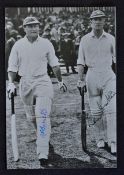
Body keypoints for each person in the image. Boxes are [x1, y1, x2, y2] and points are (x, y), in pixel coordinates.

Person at [7, 16, 67, 169]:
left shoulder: (46, 43)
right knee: (32, 118)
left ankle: (42, 152)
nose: (34, 28)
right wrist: (11, 83)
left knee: (43, 116)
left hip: (42, 81)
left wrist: (60, 81)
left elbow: (54, 64)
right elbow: (12, 67)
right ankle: (42, 134)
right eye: (30, 26)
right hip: (25, 83)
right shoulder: (18, 45)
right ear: (24, 28)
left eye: (36, 26)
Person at [77, 10, 116, 155]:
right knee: (96, 111)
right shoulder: (85, 39)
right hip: (92, 75)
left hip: (108, 74)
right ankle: (100, 138)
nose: (98, 21)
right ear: (91, 22)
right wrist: (80, 80)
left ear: (104, 21)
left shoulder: (111, 38)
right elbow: (81, 61)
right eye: (95, 19)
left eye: (101, 19)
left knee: (112, 110)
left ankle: (113, 141)